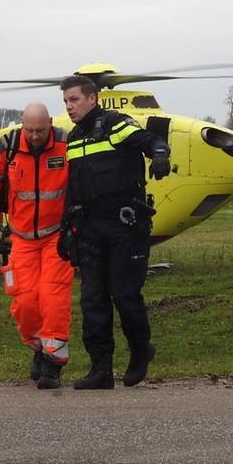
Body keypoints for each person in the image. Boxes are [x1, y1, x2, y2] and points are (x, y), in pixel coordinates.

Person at [59, 74, 171, 389]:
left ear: (92, 98)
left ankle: (140, 351)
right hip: (89, 229)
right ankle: (101, 370)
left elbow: (151, 141)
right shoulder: (74, 138)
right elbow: (73, 189)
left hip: (125, 227)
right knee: (93, 300)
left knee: (124, 295)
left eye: (74, 99)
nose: (69, 106)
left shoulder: (116, 125)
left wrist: (160, 154)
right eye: (66, 101)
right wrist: (66, 229)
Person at [0, 102, 74, 389]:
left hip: (57, 235)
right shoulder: (6, 148)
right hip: (21, 237)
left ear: (50, 124)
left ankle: (54, 362)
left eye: (40, 130)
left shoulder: (66, 144)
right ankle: (38, 348)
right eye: (30, 130)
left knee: (52, 296)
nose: (35, 136)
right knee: (24, 301)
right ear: (22, 125)